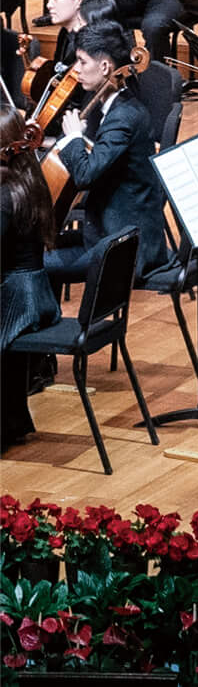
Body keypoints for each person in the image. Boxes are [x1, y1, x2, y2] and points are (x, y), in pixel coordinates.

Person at [47, 21, 168, 285]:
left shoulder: (123, 117)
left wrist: (74, 138)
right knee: (34, 249)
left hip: (126, 248)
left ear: (104, 67)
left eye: (82, 62)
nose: (76, 69)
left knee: (33, 266)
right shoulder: (114, 106)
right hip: (106, 230)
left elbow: (85, 175)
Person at [0, 106, 59, 447]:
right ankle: (11, 421)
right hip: (35, 292)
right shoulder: (30, 179)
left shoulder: (5, 197)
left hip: (16, 300)